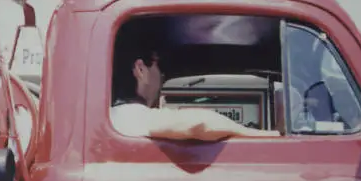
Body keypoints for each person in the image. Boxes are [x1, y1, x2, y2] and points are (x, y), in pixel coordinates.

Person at [110, 32, 281, 141]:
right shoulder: (131, 116)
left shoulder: (112, 116)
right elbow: (200, 124)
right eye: (157, 65)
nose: (162, 76)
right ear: (140, 69)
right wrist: (259, 134)